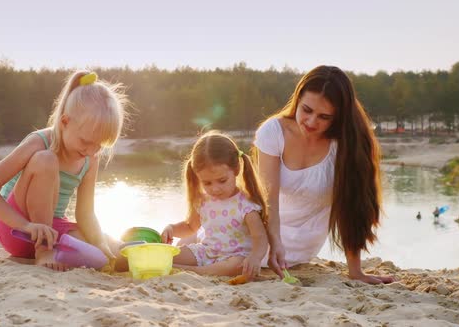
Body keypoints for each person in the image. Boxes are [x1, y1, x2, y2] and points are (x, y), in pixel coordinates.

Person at [0, 71, 128, 271]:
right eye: (86, 142)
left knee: (106, 248)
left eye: (100, 145)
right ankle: (43, 252)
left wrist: (98, 243)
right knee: (46, 159)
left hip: (54, 230)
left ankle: (128, 250)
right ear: (64, 122)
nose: (91, 150)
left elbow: (86, 213)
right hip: (16, 229)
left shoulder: (90, 158)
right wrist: (26, 226)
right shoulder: (39, 142)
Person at [254, 65, 394, 284]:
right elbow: (266, 198)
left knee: (218, 253)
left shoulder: (347, 146)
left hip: (300, 242)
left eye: (324, 116)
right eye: (307, 110)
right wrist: (274, 241)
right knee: (209, 242)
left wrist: (356, 271)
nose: (311, 122)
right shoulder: (273, 131)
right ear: (297, 99)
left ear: (339, 117)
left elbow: (353, 208)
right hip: (262, 229)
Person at [160, 132, 269, 279]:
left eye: (222, 180)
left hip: (235, 257)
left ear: (236, 169)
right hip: (206, 252)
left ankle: (185, 270)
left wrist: (255, 257)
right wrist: (172, 229)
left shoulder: (246, 205)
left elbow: (260, 238)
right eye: (207, 183)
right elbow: (190, 227)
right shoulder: (203, 201)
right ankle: (175, 264)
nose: (215, 188)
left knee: (237, 266)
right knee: (168, 254)